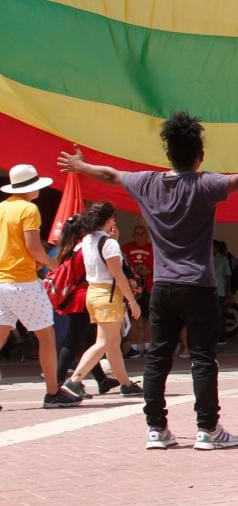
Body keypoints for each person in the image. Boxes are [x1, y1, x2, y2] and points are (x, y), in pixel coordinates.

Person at [58, 111, 238, 450]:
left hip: (163, 288)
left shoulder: (146, 183)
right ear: (200, 156)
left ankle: (156, 430)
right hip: (199, 286)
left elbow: (110, 174)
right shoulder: (204, 184)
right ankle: (207, 430)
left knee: (157, 359)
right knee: (203, 359)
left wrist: (80, 166)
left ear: (168, 154)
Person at [0, 164, 80, 408]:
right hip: (23, 281)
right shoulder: (29, 209)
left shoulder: (2, 207)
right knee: (47, 336)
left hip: (2, 280)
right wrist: (53, 264)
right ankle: (52, 392)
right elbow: (34, 247)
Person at [62, 202, 143, 398]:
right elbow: (118, 274)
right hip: (108, 295)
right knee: (104, 342)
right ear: (110, 219)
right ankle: (74, 381)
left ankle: (125, 383)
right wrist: (132, 301)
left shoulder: (87, 239)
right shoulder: (108, 243)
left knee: (112, 343)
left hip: (94, 292)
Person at [53, 214, 117, 395]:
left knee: (87, 341)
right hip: (82, 297)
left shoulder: (71, 247)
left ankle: (101, 379)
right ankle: (58, 382)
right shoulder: (85, 246)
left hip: (77, 297)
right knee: (74, 341)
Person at [123, 223, 153, 357]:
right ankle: (134, 347)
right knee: (133, 317)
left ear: (146, 235)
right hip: (132, 288)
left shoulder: (152, 248)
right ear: (133, 235)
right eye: (137, 233)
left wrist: (149, 271)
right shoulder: (127, 248)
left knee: (148, 317)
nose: (140, 236)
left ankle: (148, 346)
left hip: (148, 287)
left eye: (142, 233)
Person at [213, 240, 232, 342]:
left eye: (213, 247)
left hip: (219, 291)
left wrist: (228, 292)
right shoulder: (206, 259)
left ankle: (220, 337)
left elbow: (228, 276)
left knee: (219, 315)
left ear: (216, 248)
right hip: (208, 292)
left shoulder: (223, 260)